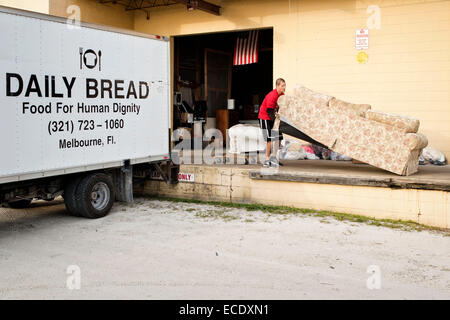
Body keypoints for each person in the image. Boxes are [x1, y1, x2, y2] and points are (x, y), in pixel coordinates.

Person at [258, 78, 286, 168]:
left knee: (279, 137)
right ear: (277, 86)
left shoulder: (282, 95)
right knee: (269, 139)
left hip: (273, 116)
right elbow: (269, 111)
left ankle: (273, 158)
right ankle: (266, 160)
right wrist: (276, 122)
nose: (284, 87)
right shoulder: (272, 95)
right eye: (282, 86)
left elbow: (281, 107)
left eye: (285, 85)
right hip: (265, 117)